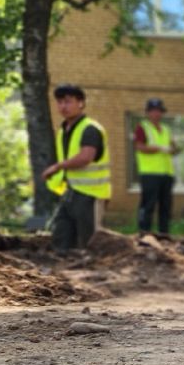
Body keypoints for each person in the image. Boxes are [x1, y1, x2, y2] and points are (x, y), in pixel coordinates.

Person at [41, 84, 111, 252]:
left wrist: (57, 167)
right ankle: (61, 272)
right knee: (61, 235)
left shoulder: (90, 129)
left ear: (81, 103)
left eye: (68, 101)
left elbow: (86, 157)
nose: (63, 106)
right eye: (59, 102)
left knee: (89, 241)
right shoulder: (64, 130)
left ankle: (92, 274)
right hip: (71, 191)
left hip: (91, 194)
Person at [132, 97, 178, 236]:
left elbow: (173, 146)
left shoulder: (166, 129)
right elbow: (139, 146)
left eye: (158, 111)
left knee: (166, 205)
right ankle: (144, 232)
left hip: (166, 172)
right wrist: (158, 148)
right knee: (148, 204)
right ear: (147, 113)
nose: (156, 114)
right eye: (153, 111)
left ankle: (164, 233)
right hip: (150, 173)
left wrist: (172, 148)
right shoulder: (143, 127)